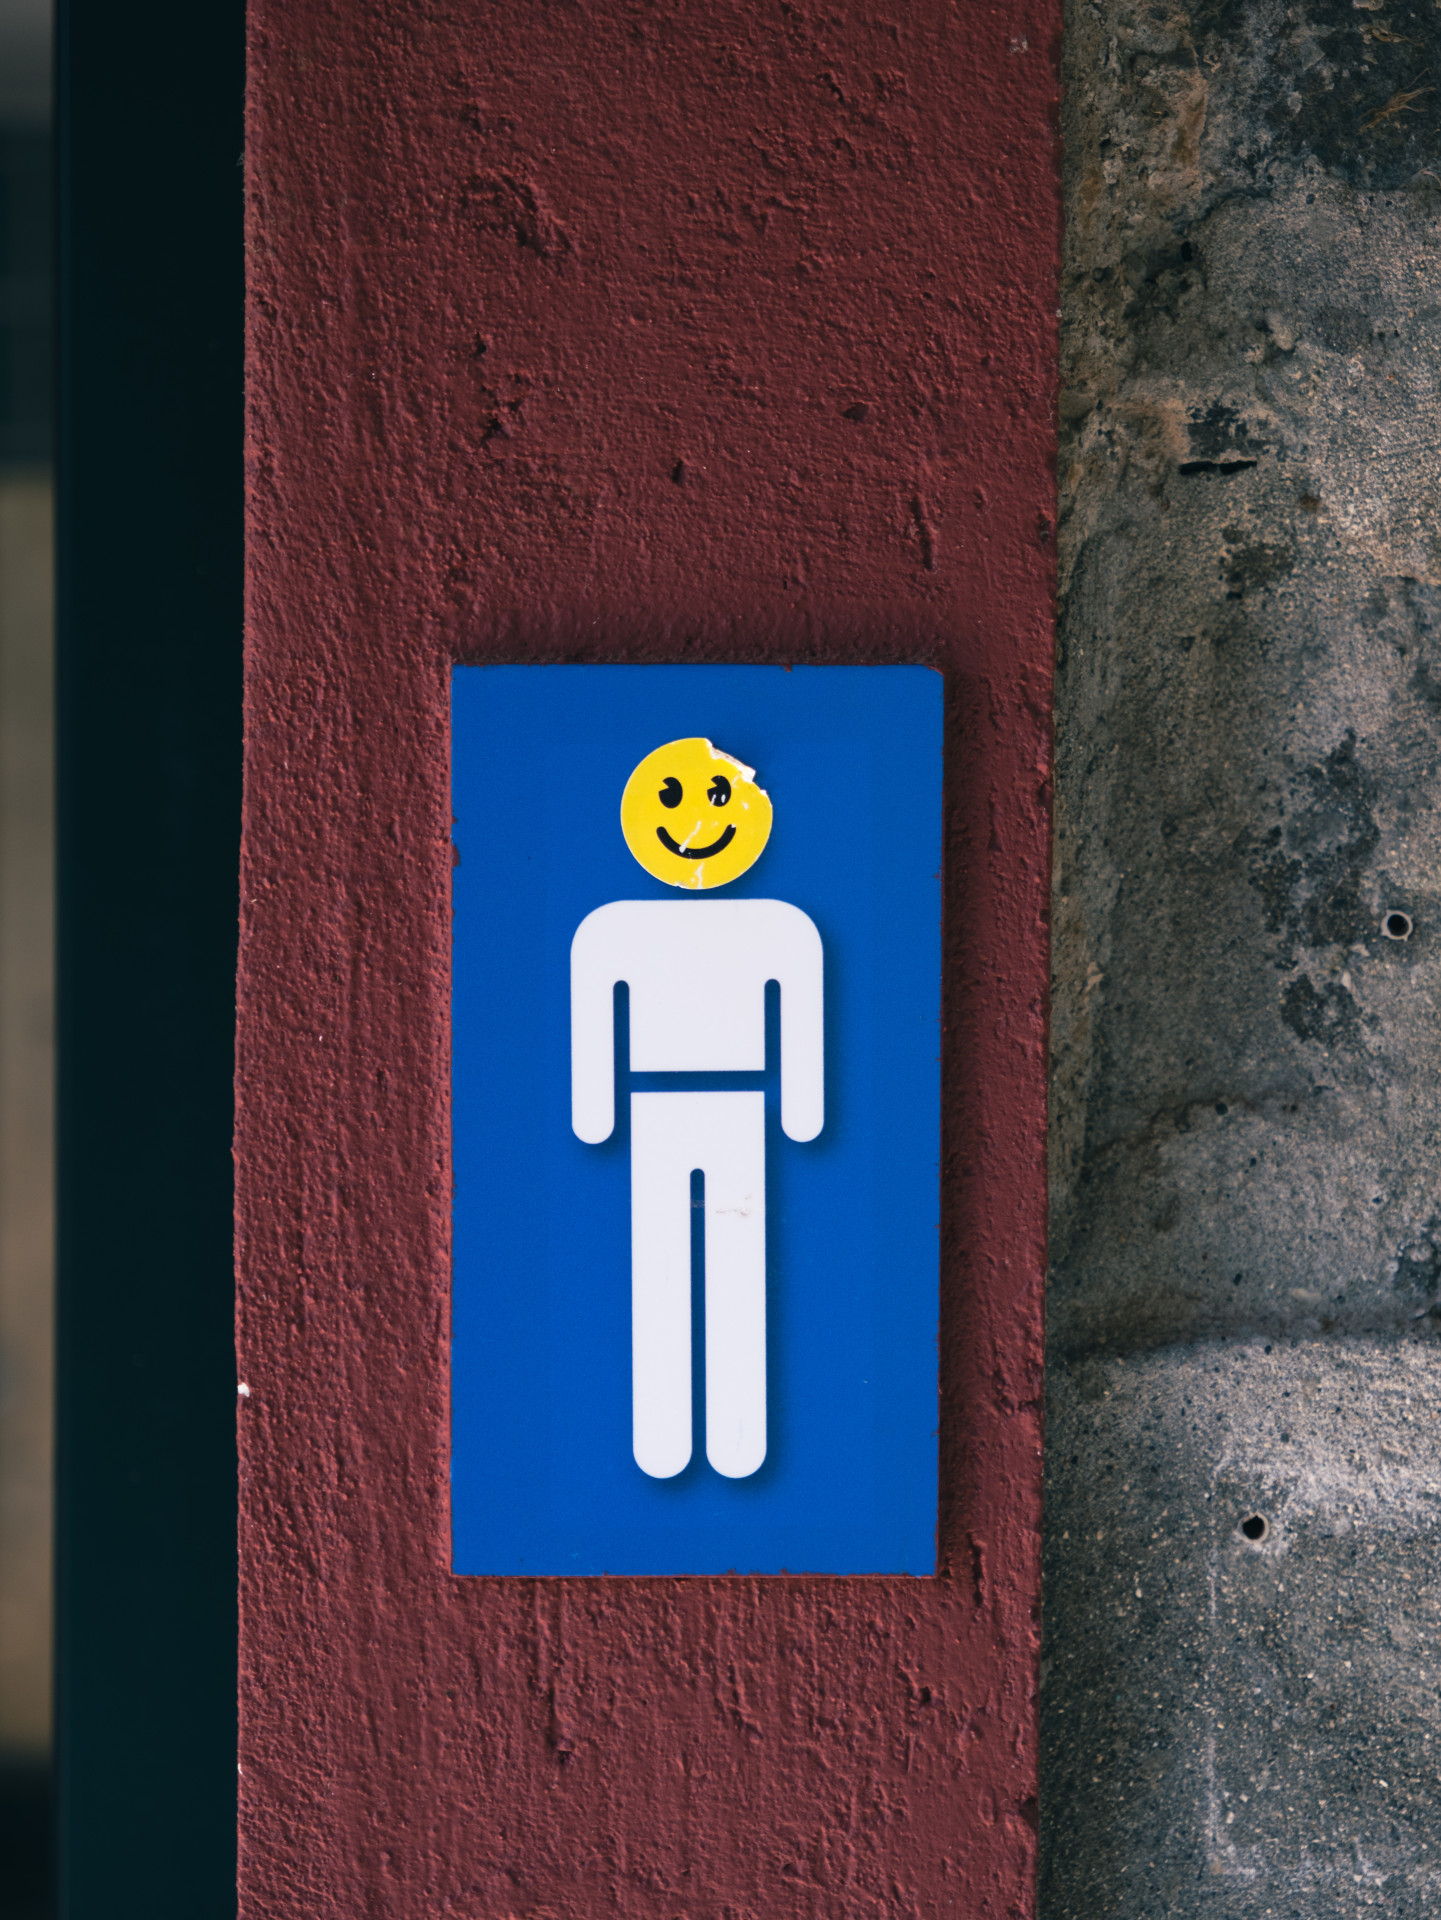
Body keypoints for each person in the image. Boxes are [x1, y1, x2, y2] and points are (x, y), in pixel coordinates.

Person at [571, 739, 822, 1479]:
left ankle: (739, 1440)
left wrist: (800, 1106)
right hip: (655, 1110)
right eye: (673, 798)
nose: (693, 823)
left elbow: (801, 1011)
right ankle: (662, 1435)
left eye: (716, 797)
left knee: (737, 1258)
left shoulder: (781, 926)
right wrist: (597, 1109)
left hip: (739, 1106)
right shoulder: (613, 929)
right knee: (660, 1264)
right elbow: (593, 1017)